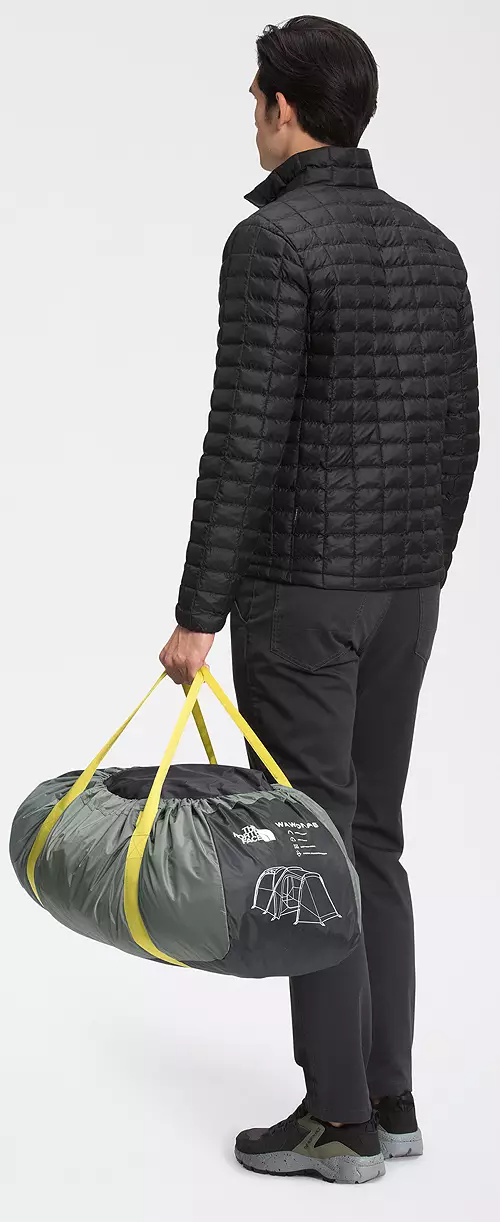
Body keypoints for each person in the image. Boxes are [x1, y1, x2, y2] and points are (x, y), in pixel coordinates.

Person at [159, 15, 479, 1185]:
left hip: (300, 598)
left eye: (254, 100)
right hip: (405, 592)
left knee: (311, 840)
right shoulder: (431, 246)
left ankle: (335, 1120)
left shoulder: (272, 242)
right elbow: (460, 434)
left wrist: (197, 612)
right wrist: (419, 566)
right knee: (372, 837)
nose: (252, 118)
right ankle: (388, 1100)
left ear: (281, 108)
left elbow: (240, 444)